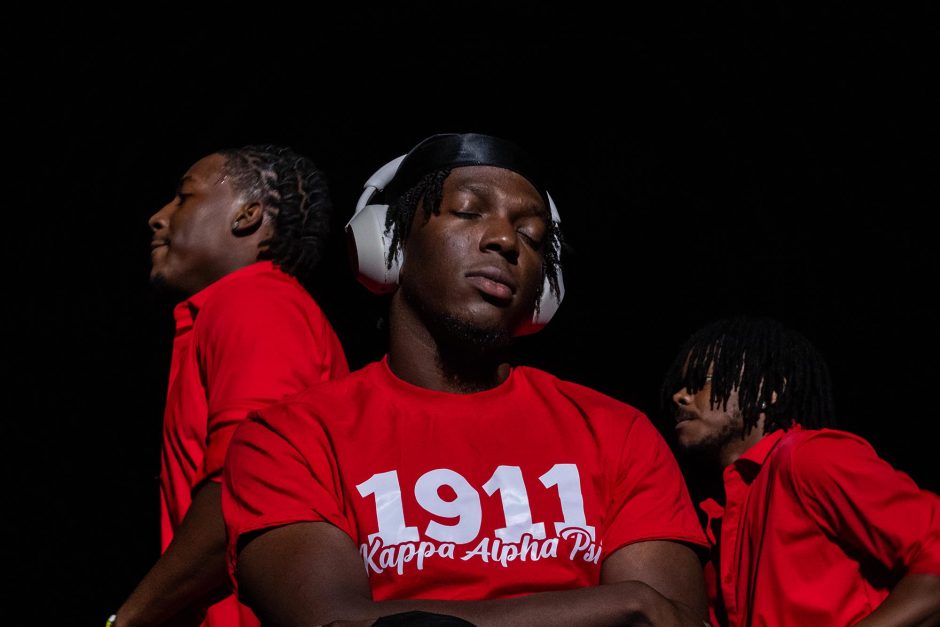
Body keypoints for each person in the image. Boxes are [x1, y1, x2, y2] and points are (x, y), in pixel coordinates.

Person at [221, 132, 710, 626]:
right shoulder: (290, 438)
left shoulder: (617, 433)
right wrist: (621, 602)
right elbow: (332, 620)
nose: (504, 240)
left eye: (532, 236)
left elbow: (670, 619)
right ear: (388, 242)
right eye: (469, 211)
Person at [112, 145, 350, 627]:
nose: (158, 218)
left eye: (183, 197)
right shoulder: (240, 308)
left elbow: (244, 484)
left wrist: (129, 619)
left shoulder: (256, 301)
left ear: (247, 215)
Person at [662, 315, 940, 626]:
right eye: (682, 385)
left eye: (703, 381)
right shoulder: (719, 516)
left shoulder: (809, 457)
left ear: (769, 393)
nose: (680, 396)